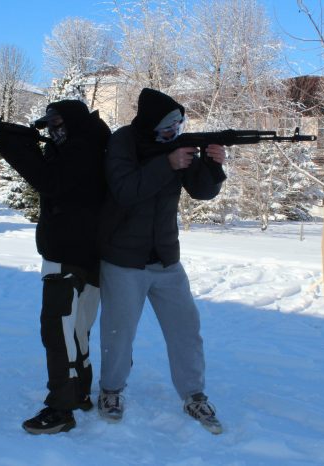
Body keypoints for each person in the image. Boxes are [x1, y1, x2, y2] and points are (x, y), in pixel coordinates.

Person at [97, 88, 227, 434]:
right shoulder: (123, 141)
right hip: (124, 258)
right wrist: (166, 164)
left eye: (179, 125)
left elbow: (201, 191)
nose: (174, 132)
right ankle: (111, 391)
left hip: (166, 258)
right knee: (118, 332)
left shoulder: (173, 145)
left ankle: (194, 395)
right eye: (168, 126)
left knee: (186, 329)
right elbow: (125, 190)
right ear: (151, 122)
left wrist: (212, 166)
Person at [0, 100, 111, 435]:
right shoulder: (93, 144)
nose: (53, 131)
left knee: (57, 331)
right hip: (92, 257)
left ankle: (61, 407)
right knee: (77, 331)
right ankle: (80, 392)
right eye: (50, 125)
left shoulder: (80, 149)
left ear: (73, 122)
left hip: (68, 255)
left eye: (58, 123)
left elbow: (50, 182)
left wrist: (17, 146)